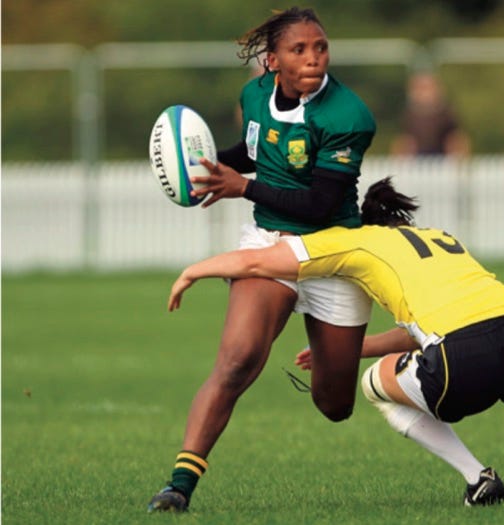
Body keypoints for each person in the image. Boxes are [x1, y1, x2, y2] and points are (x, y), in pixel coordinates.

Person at [165, 178, 504, 507]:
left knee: (375, 386)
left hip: (463, 357)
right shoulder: (439, 236)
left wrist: (194, 269)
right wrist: (355, 345)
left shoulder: (353, 241)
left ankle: (477, 476)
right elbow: (431, 319)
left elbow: (255, 263)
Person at [148, 7, 377, 512]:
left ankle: (340, 357)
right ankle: (177, 487)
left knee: (334, 404)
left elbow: (318, 205)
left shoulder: (348, 116)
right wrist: (202, 168)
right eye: (299, 50)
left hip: (333, 251)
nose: (314, 58)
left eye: (321, 47)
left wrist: (242, 187)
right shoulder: (253, 97)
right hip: (270, 245)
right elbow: (255, 152)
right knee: (237, 360)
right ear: (272, 61)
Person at [390, 70, 471, 157]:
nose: (423, 93)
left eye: (426, 88)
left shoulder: (447, 112)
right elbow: (404, 139)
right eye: (420, 88)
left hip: (444, 156)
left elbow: (456, 136)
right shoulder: (409, 114)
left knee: (456, 141)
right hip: (416, 157)